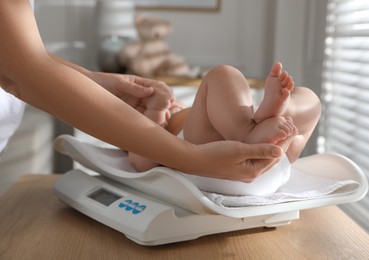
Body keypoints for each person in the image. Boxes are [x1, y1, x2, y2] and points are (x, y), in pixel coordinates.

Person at [0, 0, 284, 182]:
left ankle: (258, 122)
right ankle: (250, 129)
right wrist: (184, 147)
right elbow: (22, 70)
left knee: (303, 101)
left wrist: (91, 79)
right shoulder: (155, 139)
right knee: (225, 74)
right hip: (201, 141)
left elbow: (18, 57)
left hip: (208, 136)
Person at [128, 63, 321, 195]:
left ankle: (285, 110)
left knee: (311, 102)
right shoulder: (162, 127)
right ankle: (248, 132)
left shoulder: (196, 111)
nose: (150, 104)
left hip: (272, 154)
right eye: (141, 108)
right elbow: (140, 161)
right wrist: (156, 110)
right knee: (223, 75)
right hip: (207, 160)